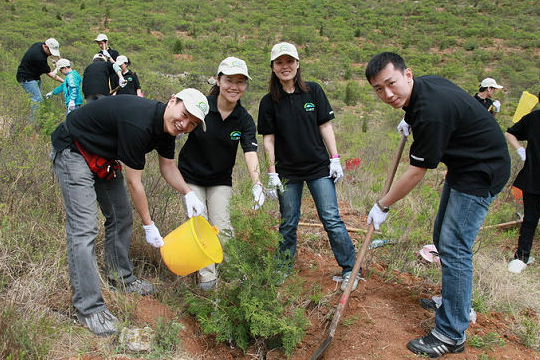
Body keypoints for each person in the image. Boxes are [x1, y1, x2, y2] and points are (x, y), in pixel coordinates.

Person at [365, 52, 510, 358]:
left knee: (454, 246)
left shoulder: (431, 112)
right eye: (379, 88)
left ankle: (451, 333)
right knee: (441, 237)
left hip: (481, 171)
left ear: (408, 75)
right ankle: (455, 301)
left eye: (391, 83)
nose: (387, 94)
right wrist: (408, 118)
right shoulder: (424, 89)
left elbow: (416, 171)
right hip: (466, 163)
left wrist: (383, 205)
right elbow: (421, 110)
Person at [50, 89, 209, 336]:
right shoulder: (139, 122)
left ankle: (120, 277)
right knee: (84, 229)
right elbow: (135, 184)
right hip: (74, 150)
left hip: (102, 156)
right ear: (172, 101)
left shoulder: (168, 127)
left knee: (121, 216)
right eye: (184, 114)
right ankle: (89, 309)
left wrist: (188, 192)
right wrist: (148, 224)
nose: (184, 124)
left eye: (193, 123)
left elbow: (167, 166)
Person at [258, 42, 358, 291]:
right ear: (272, 67)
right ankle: (282, 267)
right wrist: (272, 173)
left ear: (298, 64)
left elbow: (325, 125)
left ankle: (350, 269)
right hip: (287, 171)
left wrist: (335, 158)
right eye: (279, 62)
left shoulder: (313, 91)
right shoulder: (268, 101)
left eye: (289, 61)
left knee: (331, 218)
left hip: (318, 167)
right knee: (289, 221)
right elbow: (268, 139)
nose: (285, 66)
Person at [178, 57, 265, 290]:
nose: (234, 87)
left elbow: (250, 152)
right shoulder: (203, 106)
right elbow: (179, 121)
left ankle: (235, 275)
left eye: (240, 81)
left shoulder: (244, 119)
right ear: (218, 80)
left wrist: (257, 183)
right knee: (200, 224)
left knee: (223, 227)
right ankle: (207, 279)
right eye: (229, 80)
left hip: (220, 179)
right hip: (190, 177)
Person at [505, 92, 540, 274]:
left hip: (532, 177)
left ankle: (522, 258)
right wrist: (520, 150)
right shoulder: (533, 119)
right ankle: (521, 257)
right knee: (530, 219)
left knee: (530, 219)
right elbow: (510, 133)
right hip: (534, 177)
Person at [16, 38, 64, 123]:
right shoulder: (39, 57)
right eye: (51, 52)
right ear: (45, 47)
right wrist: (64, 81)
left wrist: (60, 61)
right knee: (37, 99)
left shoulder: (38, 44)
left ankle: (32, 118)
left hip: (34, 76)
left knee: (34, 99)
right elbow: (51, 75)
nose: (51, 54)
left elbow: (55, 56)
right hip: (26, 78)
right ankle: (33, 124)